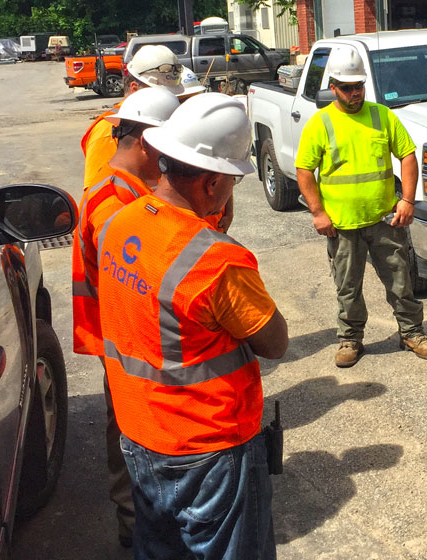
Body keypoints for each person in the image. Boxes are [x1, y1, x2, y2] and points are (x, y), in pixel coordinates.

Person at [96, 92, 287, 559]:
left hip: (140, 433)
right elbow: (274, 340)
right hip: (208, 448)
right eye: (232, 182)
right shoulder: (214, 260)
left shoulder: (119, 222)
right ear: (211, 182)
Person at [72, 86, 180, 547]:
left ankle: (139, 519)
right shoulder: (118, 207)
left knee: (132, 427)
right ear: (145, 142)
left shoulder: (117, 190)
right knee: (133, 431)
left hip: (119, 338)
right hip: (126, 342)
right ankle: (136, 524)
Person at [295, 46, 427, 368]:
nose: (354, 93)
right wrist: (318, 213)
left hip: (384, 219)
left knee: (401, 282)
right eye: (347, 88)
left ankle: (412, 332)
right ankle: (350, 339)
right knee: (347, 287)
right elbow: (304, 170)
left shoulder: (382, 116)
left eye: (358, 86)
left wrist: (407, 200)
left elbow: (407, 155)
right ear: (333, 87)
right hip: (342, 224)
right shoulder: (321, 123)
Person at [82, 45, 185, 190]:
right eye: (160, 94)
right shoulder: (107, 131)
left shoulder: (154, 121)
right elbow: (100, 190)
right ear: (134, 89)